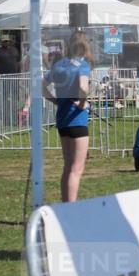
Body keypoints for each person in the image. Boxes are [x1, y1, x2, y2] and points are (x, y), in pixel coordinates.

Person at [44, 30, 93, 202]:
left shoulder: (58, 65)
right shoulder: (83, 66)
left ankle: (66, 204)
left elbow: (42, 87)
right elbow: (83, 87)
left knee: (67, 166)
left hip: (62, 120)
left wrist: (56, 101)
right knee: (77, 168)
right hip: (77, 120)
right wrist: (82, 103)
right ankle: (71, 208)